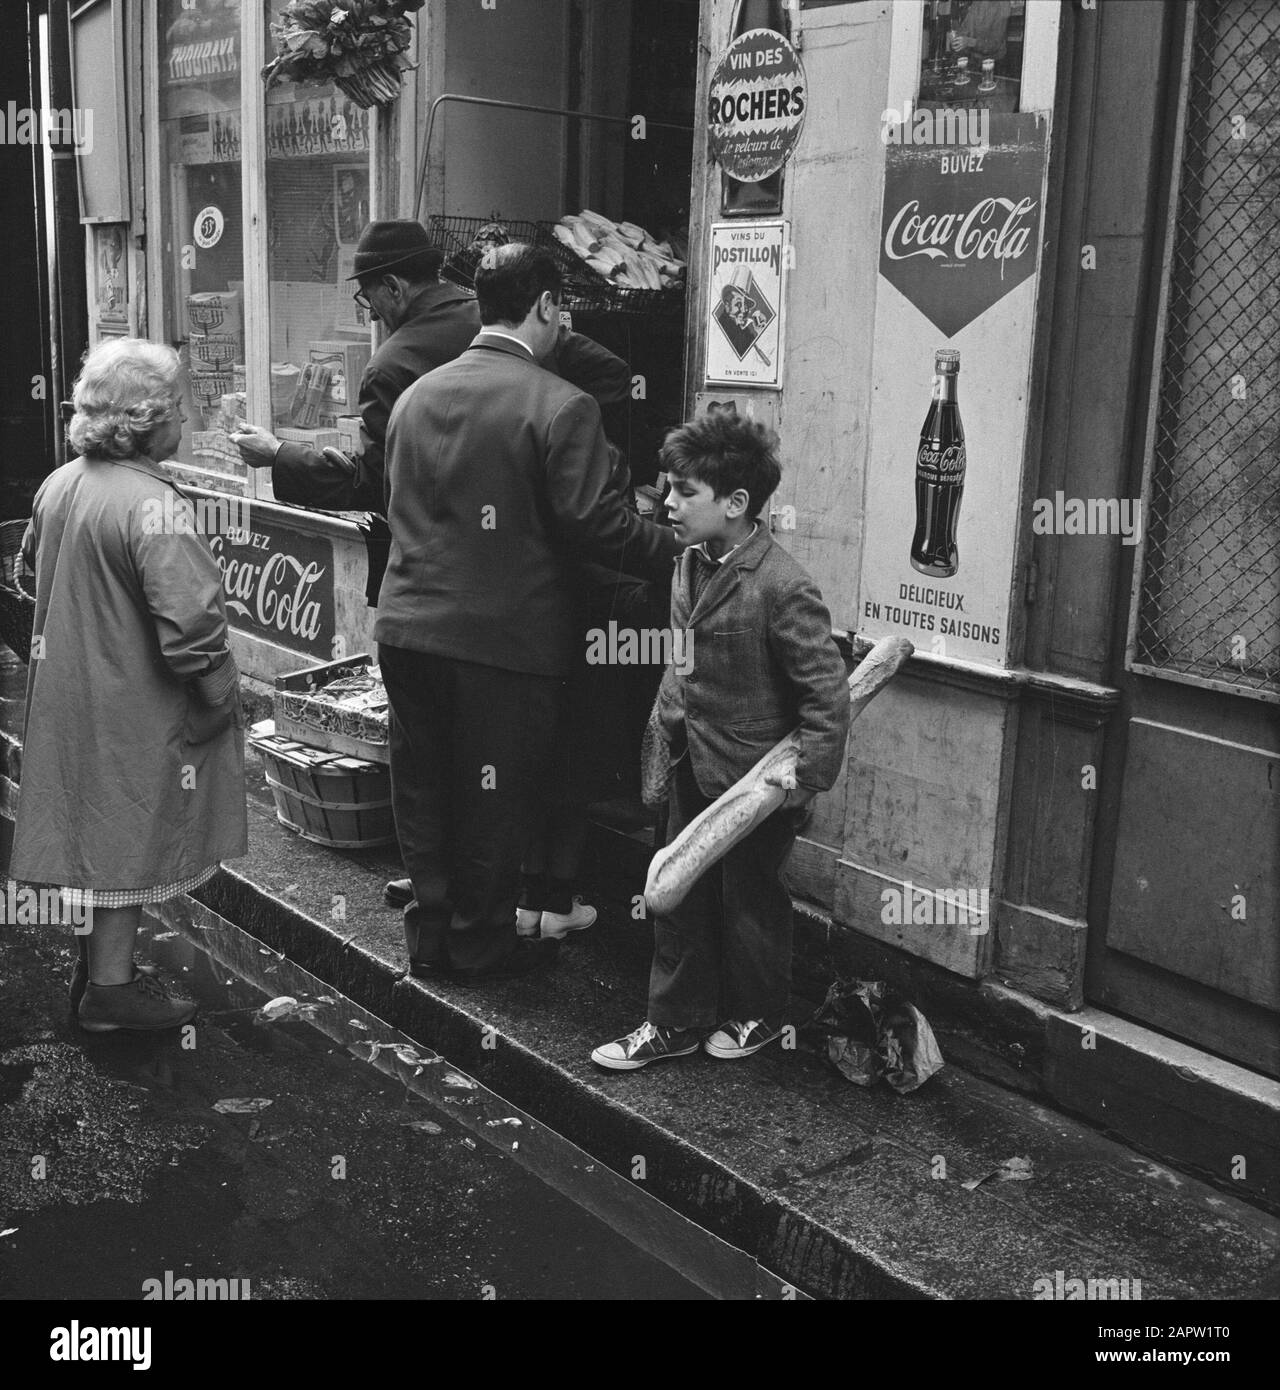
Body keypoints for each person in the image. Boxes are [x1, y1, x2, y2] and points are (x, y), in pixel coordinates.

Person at [376, 242, 680, 984]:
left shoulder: (416, 394)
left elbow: (396, 507)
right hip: (501, 643)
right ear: (546, 305)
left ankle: (431, 942)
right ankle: (480, 949)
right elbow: (597, 527)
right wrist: (674, 545)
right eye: (562, 308)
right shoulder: (561, 403)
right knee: (491, 801)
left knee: (425, 793)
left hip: (406, 630)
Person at [592, 410, 850, 1070]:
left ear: (736, 503)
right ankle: (673, 1022)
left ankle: (761, 1013)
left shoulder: (783, 585)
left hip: (754, 781)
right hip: (688, 762)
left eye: (685, 492)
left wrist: (802, 781)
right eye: (669, 489)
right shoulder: (686, 565)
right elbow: (678, 662)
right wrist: (660, 734)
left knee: (750, 901)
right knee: (679, 898)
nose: (669, 504)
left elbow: (826, 693)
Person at [10, 338, 246, 1032]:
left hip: (73, 697)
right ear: (148, 419)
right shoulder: (154, 505)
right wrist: (221, 695)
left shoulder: (63, 481)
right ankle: (110, 993)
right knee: (125, 844)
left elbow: (26, 570)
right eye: (179, 407)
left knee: (93, 834)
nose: (186, 421)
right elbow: (193, 629)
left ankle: (98, 970)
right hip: (134, 708)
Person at [230, 220, 479, 607]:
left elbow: (376, 484)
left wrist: (277, 454)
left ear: (394, 287)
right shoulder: (492, 322)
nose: (374, 317)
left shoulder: (394, 365)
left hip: (431, 578)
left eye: (368, 298)